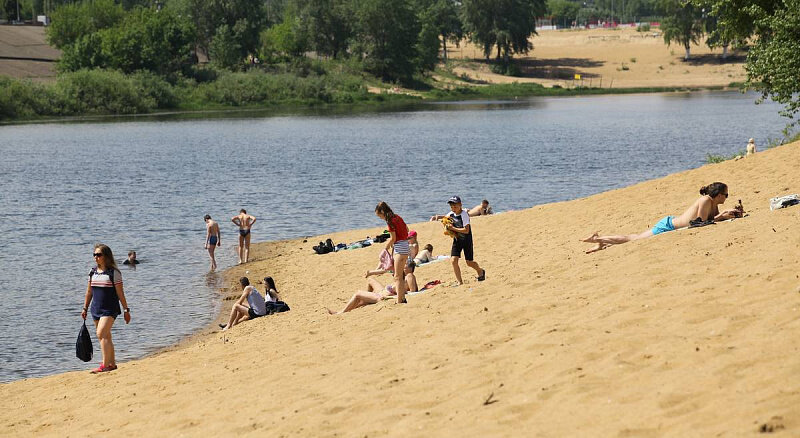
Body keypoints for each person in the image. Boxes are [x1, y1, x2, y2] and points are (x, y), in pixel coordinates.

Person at [582, 182, 744, 253]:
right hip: (667, 226)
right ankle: (599, 239)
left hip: (673, 223)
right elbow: (699, 223)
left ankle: (604, 243)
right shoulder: (705, 201)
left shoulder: (714, 204)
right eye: (725, 195)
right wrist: (722, 216)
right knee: (634, 238)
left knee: (635, 237)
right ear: (717, 195)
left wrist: (731, 213)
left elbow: (714, 219)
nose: (727, 198)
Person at [81, 244, 131, 374]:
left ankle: (104, 365)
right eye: (94, 255)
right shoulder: (92, 272)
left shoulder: (114, 273)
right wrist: (85, 308)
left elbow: (120, 293)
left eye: (99, 255)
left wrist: (126, 310)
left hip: (110, 309)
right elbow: (89, 292)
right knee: (106, 336)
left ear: (106, 256)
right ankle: (112, 364)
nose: (96, 257)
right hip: (95, 309)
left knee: (101, 333)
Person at [328, 261, 418, 314]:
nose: (402, 265)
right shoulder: (402, 276)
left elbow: (413, 293)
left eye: (405, 264)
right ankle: (365, 299)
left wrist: (392, 297)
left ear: (409, 268)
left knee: (357, 293)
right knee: (370, 280)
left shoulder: (409, 276)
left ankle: (341, 312)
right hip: (383, 291)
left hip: (382, 296)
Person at [436, 196, 486, 284]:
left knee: (469, 262)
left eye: (455, 206)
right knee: (453, 260)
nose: (453, 209)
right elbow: (445, 218)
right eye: (452, 207)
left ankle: (480, 271)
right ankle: (460, 282)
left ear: (460, 205)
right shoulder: (451, 214)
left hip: (466, 240)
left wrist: (453, 228)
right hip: (457, 240)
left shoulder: (464, 215)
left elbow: (466, 230)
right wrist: (440, 219)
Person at [375, 201, 410, 304]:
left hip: (399, 248)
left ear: (382, 212)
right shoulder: (398, 217)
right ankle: (402, 298)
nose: (380, 218)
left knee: (397, 276)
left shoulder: (390, 221)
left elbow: (393, 238)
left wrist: (385, 248)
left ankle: (400, 300)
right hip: (406, 246)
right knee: (400, 275)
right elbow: (407, 229)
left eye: (379, 215)